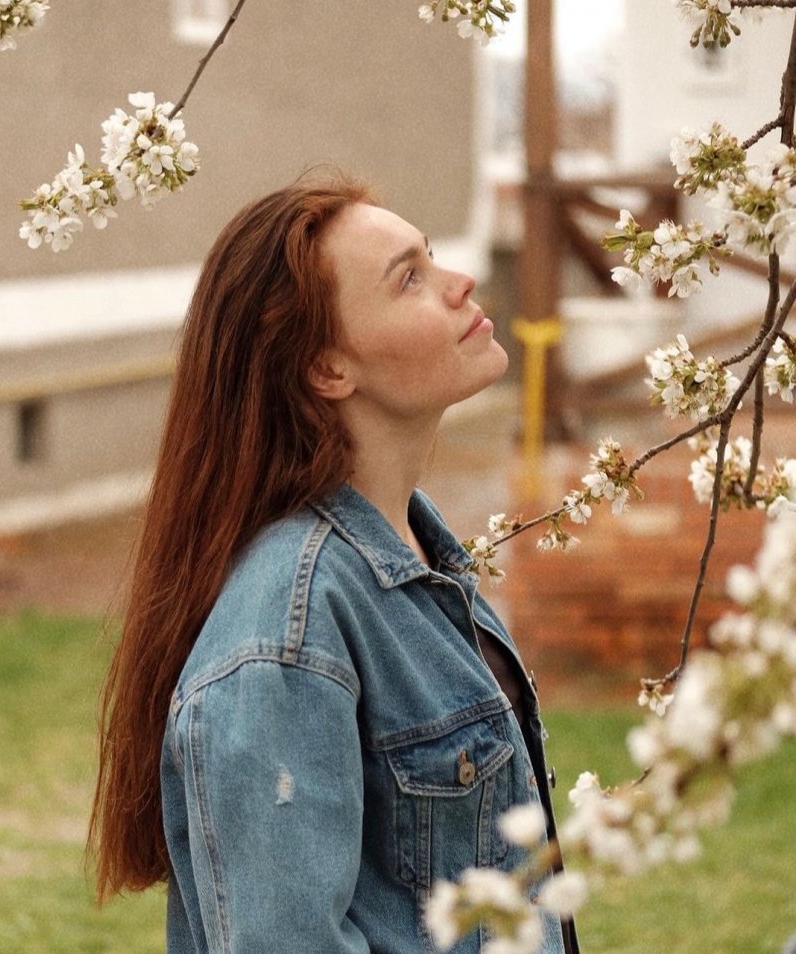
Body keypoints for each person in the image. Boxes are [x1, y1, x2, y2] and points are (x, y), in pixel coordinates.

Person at [89, 175, 579, 953]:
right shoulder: (288, 634)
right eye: (409, 278)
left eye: (431, 256)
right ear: (327, 367)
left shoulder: (423, 561)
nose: (460, 282)